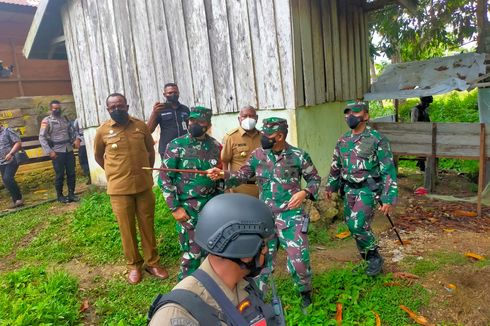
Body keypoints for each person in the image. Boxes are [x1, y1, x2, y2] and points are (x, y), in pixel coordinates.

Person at [208, 117, 321, 309]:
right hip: (264, 217)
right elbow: (242, 175)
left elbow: (314, 179)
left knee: (299, 260)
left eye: (268, 135)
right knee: (260, 260)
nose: (263, 138)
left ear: (279, 136)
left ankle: (305, 292)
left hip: (290, 216)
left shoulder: (298, 156)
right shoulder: (258, 155)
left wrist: (304, 192)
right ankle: (259, 297)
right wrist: (222, 175)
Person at [148, 193, 282, 326]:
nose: (266, 251)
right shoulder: (177, 315)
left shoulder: (243, 285)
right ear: (245, 254)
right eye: (263, 245)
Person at [94, 93, 169, 284]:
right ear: (107, 109)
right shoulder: (103, 131)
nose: (116, 109)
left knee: (147, 225)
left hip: (143, 186)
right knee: (126, 229)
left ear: (127, 106)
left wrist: (144, 172)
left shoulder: (140, 126)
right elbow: (98, 156)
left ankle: (153, 263)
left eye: (120, 106)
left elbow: (150, 152)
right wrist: (115, 172)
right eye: (112, 107)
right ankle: (134, 265)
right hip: (119, 189)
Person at [325, 101, 398, 277]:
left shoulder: (377, 139)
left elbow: (388, 169)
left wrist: (388, 197)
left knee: (358, 225)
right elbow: (336, 165)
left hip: (368, 189)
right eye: (347, 113)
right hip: (349, 189)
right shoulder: (342, 140)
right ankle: (367, 259)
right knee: (353, 226)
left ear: (366, 116)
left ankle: (374, 258)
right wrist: (331, 185)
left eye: (355, 113)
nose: (350, 116)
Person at [159, 106, 223, 281]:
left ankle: (209, 286)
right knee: (192, 254)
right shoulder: (176, 145)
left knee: (213, 250)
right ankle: (185, 292)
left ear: (208, 125)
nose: (194, 124)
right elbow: (165, 178)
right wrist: (175, 208)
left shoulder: (216, 146)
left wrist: (220, 206)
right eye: (191, 121)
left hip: (211, 208)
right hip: (188, 209)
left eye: (199, 122)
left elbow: (220, 179)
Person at [39, 100, 79, 203]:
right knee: (60, 174)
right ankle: (60, 196)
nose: (57, 110)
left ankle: (71, 194)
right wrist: (49, 151)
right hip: (57, 151)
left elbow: (72, 131)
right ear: (50, 109)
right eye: (55, 108)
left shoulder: (64, 118)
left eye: (58, 108)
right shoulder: (47, 121)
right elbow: (42, 137)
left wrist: (76, 139)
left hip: (68, 149)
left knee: (71, 173)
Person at [221, 105, 261, 198]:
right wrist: (227, 188)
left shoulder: (263, 137)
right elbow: (225, 163)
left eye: (251, 116)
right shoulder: (231, 137)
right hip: (240, 188)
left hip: (261, 188)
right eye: (245, 116)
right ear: (239, 119)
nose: (248, 118)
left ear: (257, 118)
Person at [147, 83, 190, 161]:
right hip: (167, 149)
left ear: (178, 93)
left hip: (184, 147)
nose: (173, 94)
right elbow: (149, 130)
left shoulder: (185, 109)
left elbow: (190, 128)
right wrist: (154, 113)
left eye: (175, 92)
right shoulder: (160, 109)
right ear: (164, 94)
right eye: (170, 93)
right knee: (169, 172)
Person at [0, 125, 23, 208]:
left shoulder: (7, 130)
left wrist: (11, 153)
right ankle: (16, 201)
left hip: (12, 159)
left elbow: (18, 142)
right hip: (2, 162)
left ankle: (19, 199)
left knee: (7, 178)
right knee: (6, 181)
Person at [410, 96, 433, 171]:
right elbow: (413, 123)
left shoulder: (425, 110)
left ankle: (421, 163)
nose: (427, 105)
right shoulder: (415, 109)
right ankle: (421, 165)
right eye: (426, 103)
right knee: (421, 149)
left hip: (425, 133)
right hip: (418, 133)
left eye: (428, 104)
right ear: (422, 102)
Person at [73, 118, 91, 185]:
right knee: (83, 160)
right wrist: (77, 139)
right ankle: (89, 175)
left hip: (92, 140)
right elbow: (75, 131)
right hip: (82, 141)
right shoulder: (78, 120)